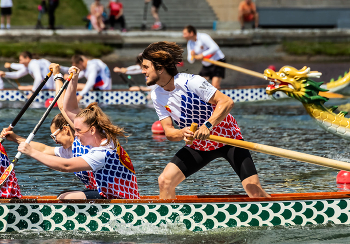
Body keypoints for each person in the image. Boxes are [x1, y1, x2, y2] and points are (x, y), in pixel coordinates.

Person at [141, 41, 270, 199]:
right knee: (164, 181)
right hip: (200, 145)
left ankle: (277, 212)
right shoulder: (156, 95)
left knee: (254, 191)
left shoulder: (192, 82)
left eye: (146, 67)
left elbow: (226, 102)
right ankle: (170, 222)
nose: (143, 71)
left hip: (228, 139)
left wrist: (207, 125)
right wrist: (182, 133)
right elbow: (168, 132)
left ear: (160, 68)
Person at [16, 63, 140, 200]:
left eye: (78, 130)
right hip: (105, 193)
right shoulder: (91, 136)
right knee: (63, 194)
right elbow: (66, 109)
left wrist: (31, 152)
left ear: (92, 130)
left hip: (122, 201)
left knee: (65, 197)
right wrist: (73, 79)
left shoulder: (103, 151)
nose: (75, 134)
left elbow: (66, 165)